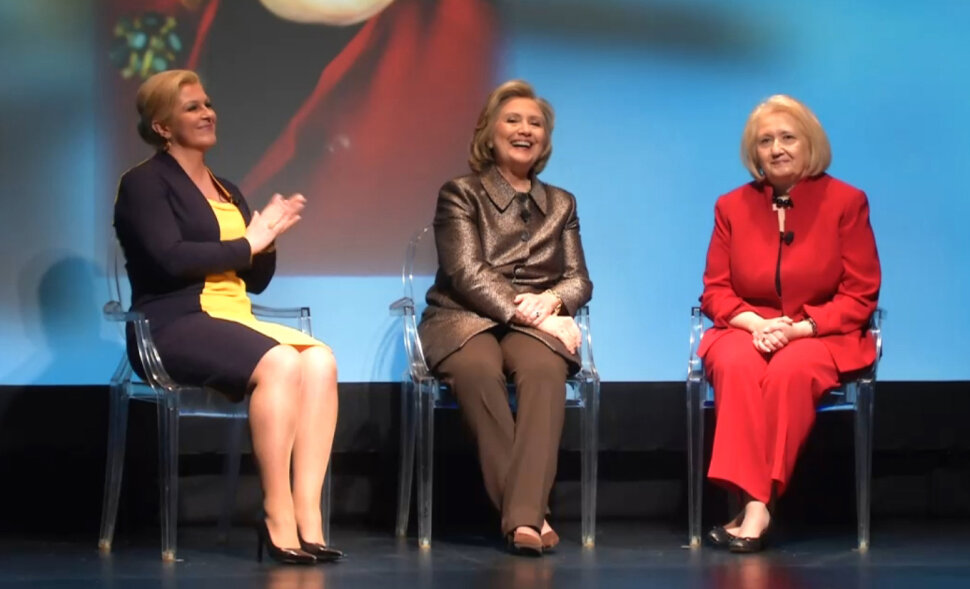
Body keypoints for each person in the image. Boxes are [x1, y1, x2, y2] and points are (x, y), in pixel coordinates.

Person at [113, 70, 342, 565]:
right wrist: (248, 242)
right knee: (282, 362)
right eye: (192, 107)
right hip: (171, 321)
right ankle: (275, 512)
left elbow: (254, 281)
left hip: (232, 315)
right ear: (163, 127)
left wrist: (268, 239)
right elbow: (169, 260)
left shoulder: (227, 188)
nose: (207, 113)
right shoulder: (144, 184)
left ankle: (308, 514)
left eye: (208, 104)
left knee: (321, 360)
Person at [698, 95, 881, 552]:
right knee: (735, 364)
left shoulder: (847, 202)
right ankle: (758, 506)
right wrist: (754, 324)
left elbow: (860, 293)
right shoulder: (731, 206)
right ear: (754, 152)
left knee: (791, 370)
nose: (776, 149)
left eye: (787, 138)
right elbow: (716, 290)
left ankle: (755, 504)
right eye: (765, 141)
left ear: (810, 144)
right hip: (746, 329)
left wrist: (800, 328)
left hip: (821, 333)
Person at [418, 80, 593, 555]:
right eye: (513, 120)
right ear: (489, 133)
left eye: (535, 123)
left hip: (535, 320)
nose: (525, 130)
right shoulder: (460, 193)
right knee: (478, 369)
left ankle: (521, 517)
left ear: (545, 139)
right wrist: (539, 317)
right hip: (461, 317)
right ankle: (529, 516)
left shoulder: (562, 203)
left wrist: (552, 300)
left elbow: (579, 279)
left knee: (544, 369)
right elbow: (466, 273)